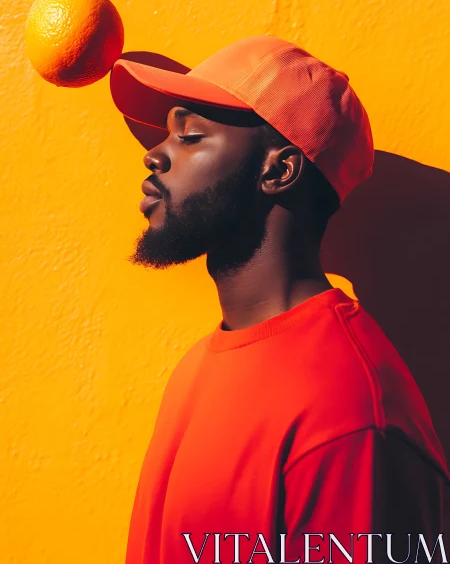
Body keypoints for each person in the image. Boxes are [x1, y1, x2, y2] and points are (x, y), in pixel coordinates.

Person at [110, 35, 450, 564]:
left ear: (279, 170)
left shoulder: (350, 419)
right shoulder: (200, 366)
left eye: (191, 136)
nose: (155, 155)